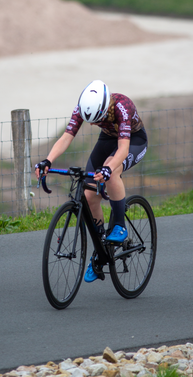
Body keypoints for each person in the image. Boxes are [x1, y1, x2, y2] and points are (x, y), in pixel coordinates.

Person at [35, 80, 148, 283]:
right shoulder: (83, 106)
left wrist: (108, 168)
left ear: (105, 108)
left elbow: (122, 150)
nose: (93, 124)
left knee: (111, 171)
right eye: (90, 121)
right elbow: (67, 136)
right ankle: (100, 248)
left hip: (133, 141)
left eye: (97, 120)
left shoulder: (123, 107)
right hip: (107, 139)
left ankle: (120, 226)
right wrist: (48, 160)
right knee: (88, 194)